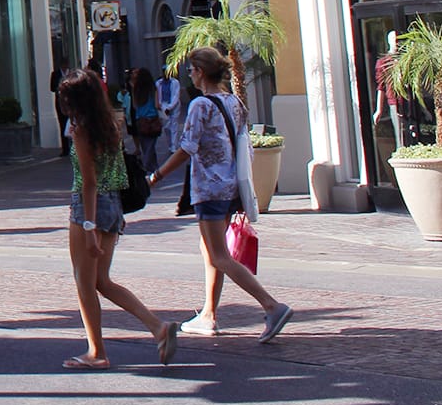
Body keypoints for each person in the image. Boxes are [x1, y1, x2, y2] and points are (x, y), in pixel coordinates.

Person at [149, 46, 293, 343]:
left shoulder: (200, 105)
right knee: (210, 251)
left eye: (191, 70)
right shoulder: (234, 101)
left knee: (218, 255)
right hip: (228, 185)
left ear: (200, 72)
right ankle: (209, 314)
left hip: (209, 187)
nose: (189, 75)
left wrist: (157, 175)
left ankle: (271, 305)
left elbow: (187, 148)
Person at [57, 70, 179, 370]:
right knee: (102, 280)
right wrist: (117, 215)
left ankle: (96, 351)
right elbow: (118, 171)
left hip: (90, 208)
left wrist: (88, 227)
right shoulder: (110, 124)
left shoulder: (81, 129)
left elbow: (88, 182)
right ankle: (156, 327)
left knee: (85, 282)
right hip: (112, 203)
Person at [126, 68, 162, 176]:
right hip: (152, 118)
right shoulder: (153, 88)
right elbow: (157, 104)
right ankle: (146, 168)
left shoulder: (136, 89)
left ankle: (154, 167)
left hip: (140, 120)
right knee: (150, 146)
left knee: (145, 145)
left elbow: (134, 105)